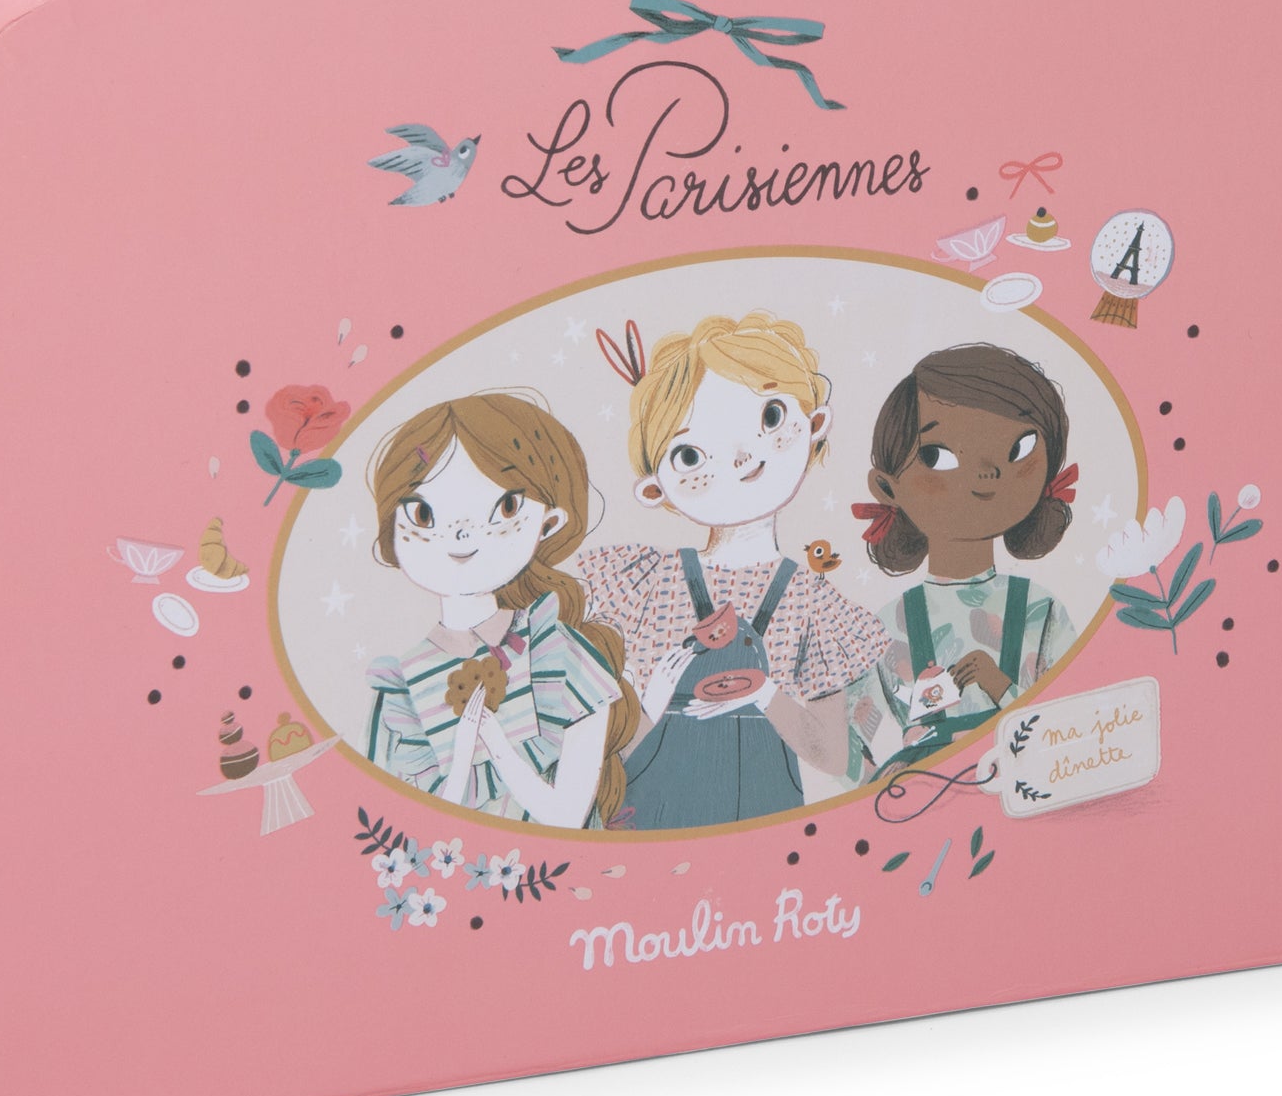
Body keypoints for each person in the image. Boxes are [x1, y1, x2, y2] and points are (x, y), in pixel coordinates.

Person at [578, 311, 889, 830]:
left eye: (771, 417)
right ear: (655, 488)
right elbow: (607, 753)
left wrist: (764, 693)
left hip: (765, 826)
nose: (742, 456)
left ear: (815, 424)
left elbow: (834, 757)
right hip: (653, 823)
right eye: (691, 455)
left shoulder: (811, 601)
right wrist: (651, 703)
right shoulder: (646, 584)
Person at [361, 393, 638, 830]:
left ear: (549, 523)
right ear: (391, 534)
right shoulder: (400, 685)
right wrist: (461, 762)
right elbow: (392, 821)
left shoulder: (562, 653)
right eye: (423, 513)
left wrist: (495, 743)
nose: (461, 533)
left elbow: (568, 817)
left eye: (505, 508)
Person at [846, 343, 1081, 777]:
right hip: (926, 798)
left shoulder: (1041, 610)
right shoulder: (888, 626)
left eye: (1018, 449)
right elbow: (847, 742)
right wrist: (880, 786)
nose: (986, 472)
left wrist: (1001, 686)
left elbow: (1074, 723)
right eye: (938, 456)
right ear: (888, 488)